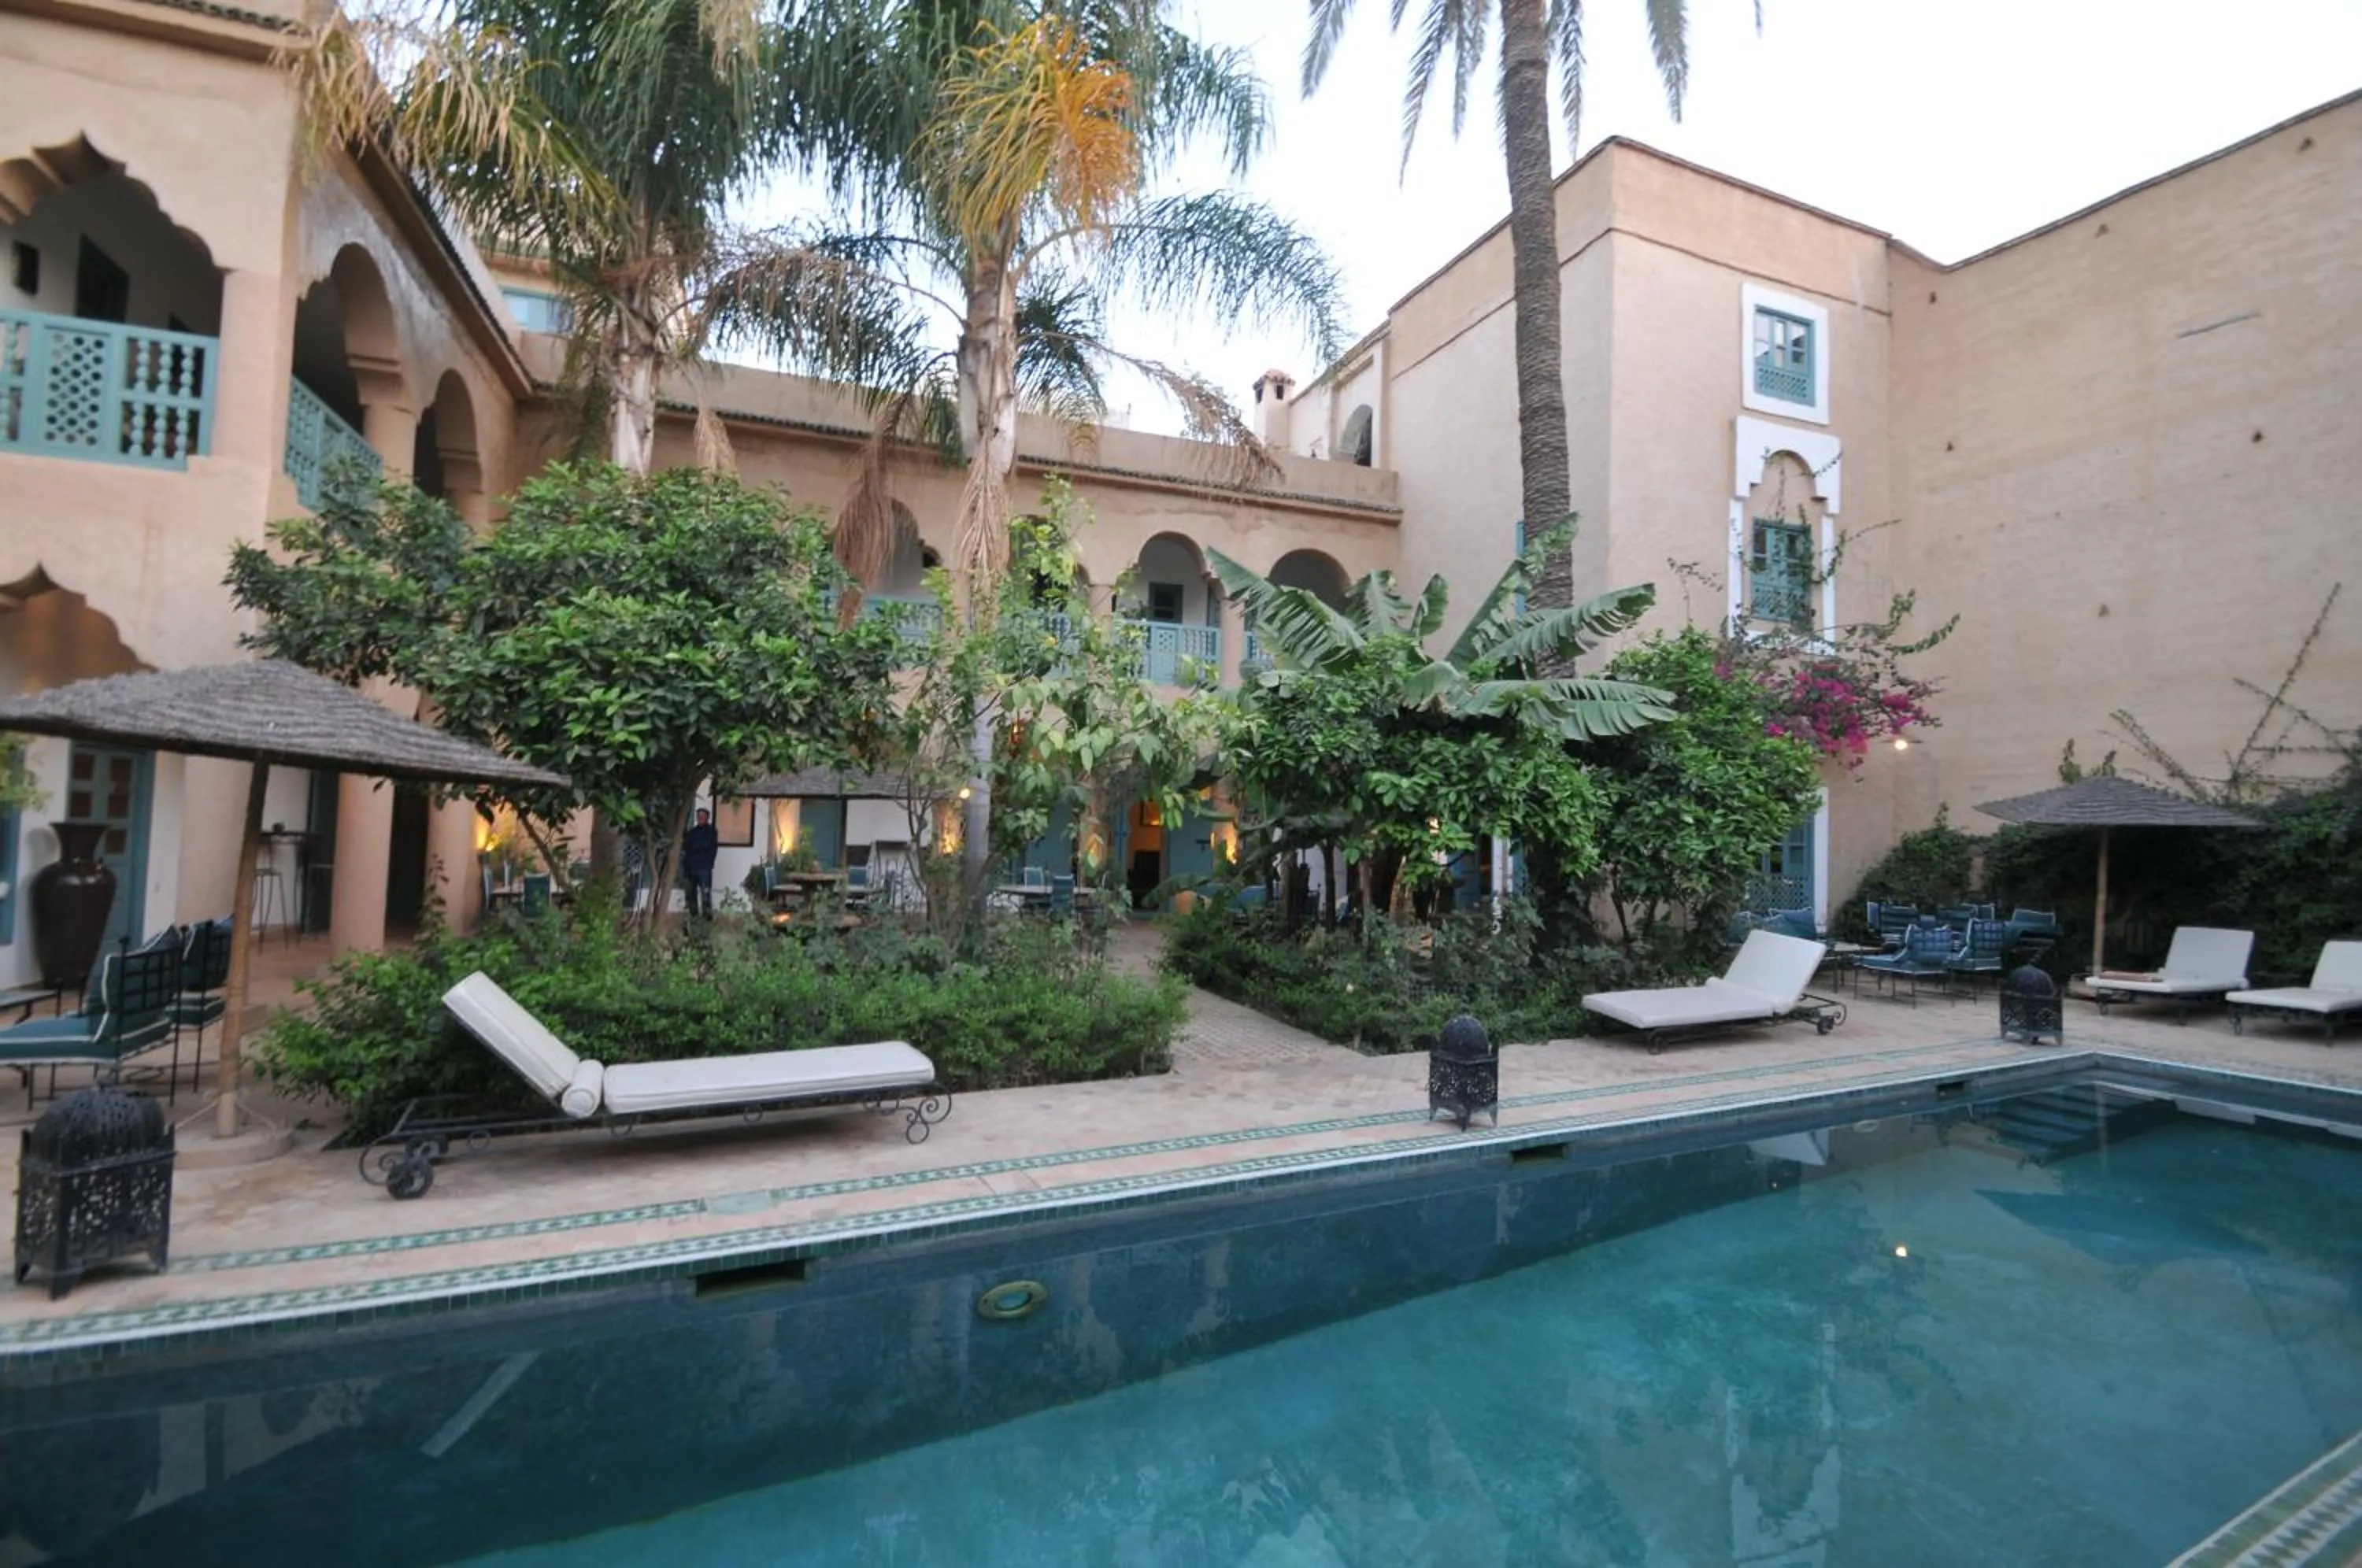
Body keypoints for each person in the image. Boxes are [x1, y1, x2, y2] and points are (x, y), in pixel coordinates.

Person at [681, 808, 720, 919]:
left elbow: (705, 845)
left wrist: (693, 848)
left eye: (702, 816)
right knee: (691, 893)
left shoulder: (711, 831)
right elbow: (686, 847)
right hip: (691, 867)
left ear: (707, 817)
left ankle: (707, 918)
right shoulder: (693, 832)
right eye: (698, 816)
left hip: (704, 867)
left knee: (705, 893)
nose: (700, 818)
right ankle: (694, 917)